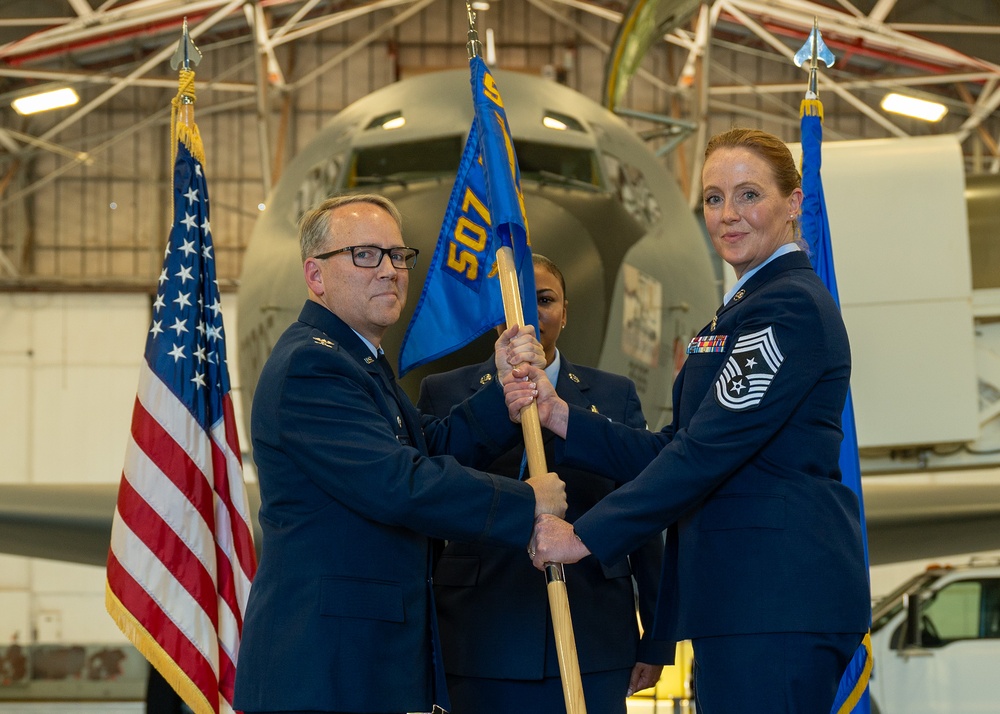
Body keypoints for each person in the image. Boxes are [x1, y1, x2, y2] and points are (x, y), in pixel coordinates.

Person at [506, 128, 870, 714]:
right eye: (714, 198)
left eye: (749, 195)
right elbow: (678, 445)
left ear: (794, 203)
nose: (728, 214)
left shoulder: (788, 307)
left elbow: (705, 452)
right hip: (744, 599)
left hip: (775, 598)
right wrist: (561, 416)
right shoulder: (747, 307)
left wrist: (583, 536)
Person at [232, 193, 567, 714]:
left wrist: (503, 391)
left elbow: (425, 445)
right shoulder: (312, 366)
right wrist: (527, 503)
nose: (390, 270)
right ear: (315, 276)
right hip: (327, 669)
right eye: (365, 255)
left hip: (362, 662)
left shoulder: (357, 360)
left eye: (397, 255)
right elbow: (397, 483)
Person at [417, 254, 671, 714]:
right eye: (514, 301)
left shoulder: (614, 394)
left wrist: (656, 636)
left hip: (592, 631)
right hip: (479, 635)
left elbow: (643, 510)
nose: (529, 315)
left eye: (545, 300)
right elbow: (430, 509)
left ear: (566, 312)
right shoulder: (445, 393)